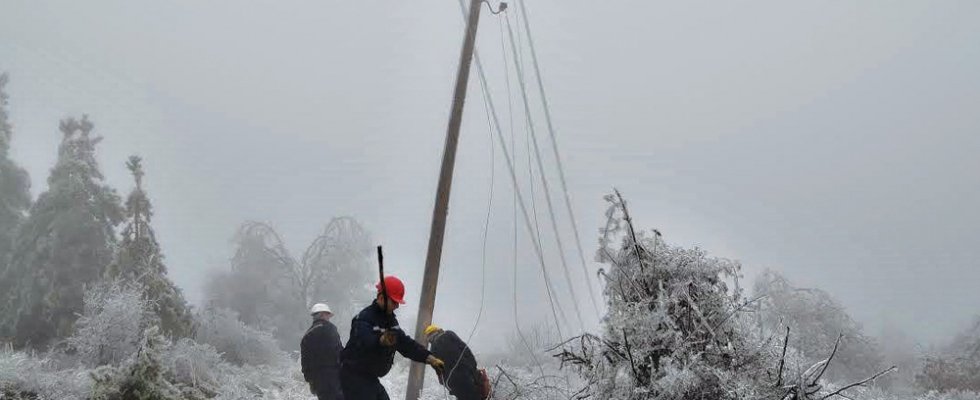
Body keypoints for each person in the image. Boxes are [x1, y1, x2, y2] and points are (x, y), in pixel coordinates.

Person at [340, 275, 445, 400]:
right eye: (394, 302)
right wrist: (381, 340)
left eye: (398, 302)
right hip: (353, 377)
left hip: (369, 378)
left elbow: (406, 345)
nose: (397, 306)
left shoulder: (391, 322)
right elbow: (365, 339)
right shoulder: (364, 318)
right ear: (381, 298)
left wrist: (429, 358)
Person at [424, 325, 486, 400]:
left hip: (452, 381)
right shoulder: (449, 334)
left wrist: (446, 384)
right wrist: (473, 366)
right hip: (465, 371)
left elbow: (439, 371)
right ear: (438, 330)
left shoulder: (433, 350)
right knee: (477, 395)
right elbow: (465, 349)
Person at [301, 303, 344, 400]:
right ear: (323, 314)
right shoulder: (330, 328)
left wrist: (311, 381)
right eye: (328, 315)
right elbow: (338, 351)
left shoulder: (306, 336)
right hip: (334, 376)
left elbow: (305, 363)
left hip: (318, 381)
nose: (328, 318)